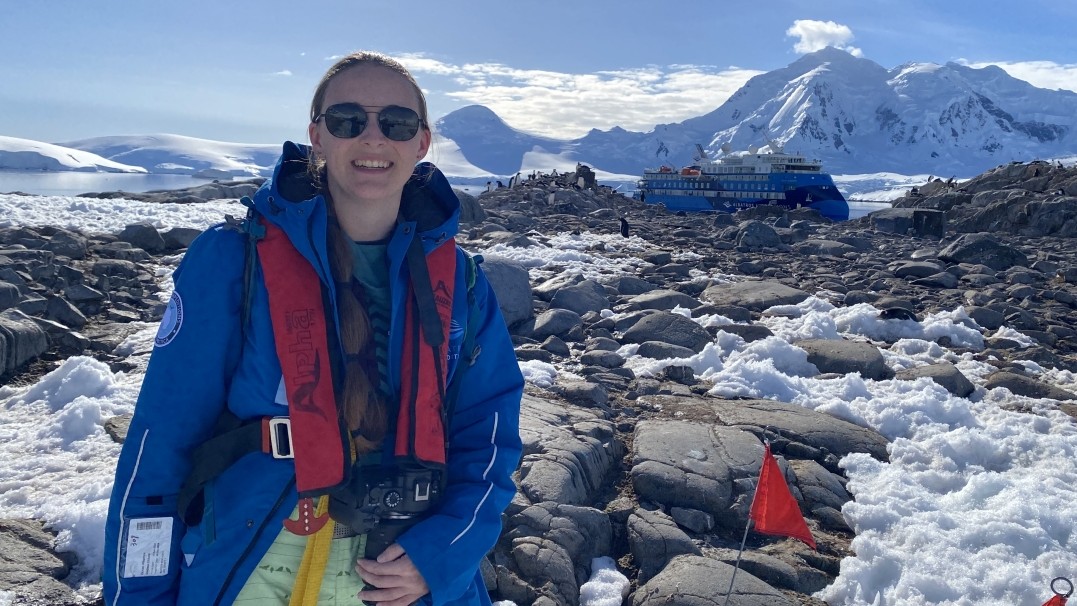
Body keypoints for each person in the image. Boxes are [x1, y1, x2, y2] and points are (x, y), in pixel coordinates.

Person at [103, 51, 524, 606]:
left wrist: (441, 555)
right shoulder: (233, 260)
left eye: (396, 123)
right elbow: (160, 445)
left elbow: (488, 440)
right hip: (251, 569)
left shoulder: (463, 283)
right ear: (316, 136)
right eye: (347, 120)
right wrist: (138, 593)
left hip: (404, 573)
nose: (372, 137)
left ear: (421, 143)